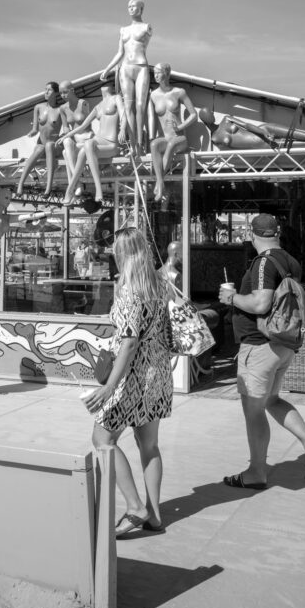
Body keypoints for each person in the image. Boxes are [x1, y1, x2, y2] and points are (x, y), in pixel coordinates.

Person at [218, 213, 305, 487]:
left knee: (253, 411)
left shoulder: (263, 262)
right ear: (278, 231)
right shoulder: (290, 261)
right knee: (271, 400)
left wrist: (230, 297)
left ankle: (256, 472)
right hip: (282, 345)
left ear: (251, 234)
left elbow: (260, 304)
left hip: (260, 345)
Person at [84, 228, 173, 536]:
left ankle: (135, 507)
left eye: (115, 250)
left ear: (123, 252)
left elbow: (129, 342)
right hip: (159, 372)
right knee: (149, 444)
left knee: (103, 440)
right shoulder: (160, 283)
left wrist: (109, 386)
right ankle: (155, 516)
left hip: (133, 376)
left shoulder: (128, 289)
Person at [58, 83, 125, 204]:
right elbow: (83, 126)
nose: (103, 88)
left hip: (111, 144)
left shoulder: (116, 98)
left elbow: (123, 114)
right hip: (100, 139)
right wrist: (66, 136)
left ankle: (97, 189)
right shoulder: (98, 106)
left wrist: (124, 129)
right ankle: (71, 188)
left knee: (88, 144)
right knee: (74, 151)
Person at [101, 0, 152, 153]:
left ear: (141, 9)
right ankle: (134, 145)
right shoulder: (123, 30)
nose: (131, 9)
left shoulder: (146, 27)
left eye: (134, 6)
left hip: (141, 66)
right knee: (128, 106)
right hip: (125, 68)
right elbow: (120, 53)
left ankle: (140, 142)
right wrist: (107, 69)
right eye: (129, 7)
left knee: (140, 106)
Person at [200, 109, 305, 151]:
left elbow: (247, 126)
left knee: (300, 134)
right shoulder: (215, 139)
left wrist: (263, 132)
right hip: (262, 146)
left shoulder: (226, 119)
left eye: (211, 112)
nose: (211, 115)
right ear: (204, 119)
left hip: (263, 131)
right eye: (208, 114)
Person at [148, 63, 199, 200]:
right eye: (154, 73)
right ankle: (160, 182)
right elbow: (151, 117)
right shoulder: (153, 95)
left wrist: (181, 127)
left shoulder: (179, 92)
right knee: (154, 145)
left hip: (179, 138)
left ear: (166, 73)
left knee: (171, 146)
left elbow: (194, 114)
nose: (156, 75)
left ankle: (159, 184)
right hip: (165, 137)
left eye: (158, 72)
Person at [15, 82, 63, 197]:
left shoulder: (61, 110)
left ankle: (48, 187)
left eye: (49, 90)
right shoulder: (38, 107)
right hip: (42, 145)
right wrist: (32, 132)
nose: (46, 92)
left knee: (49, 145)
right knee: (39, 148)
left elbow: (66, 128)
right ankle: (20, 184)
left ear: (56, 93)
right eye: (45, 89)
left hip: (54, 146)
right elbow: (35, 128)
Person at [58, 80, 92, 182]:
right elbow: (65, 127)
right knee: (66, 142)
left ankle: (74, 181)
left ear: (72, 90)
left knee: (65, 152)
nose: (62, 95)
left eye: (65, 92)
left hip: (86, 137)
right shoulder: (62, 108)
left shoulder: (83, 103)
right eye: (60, 93)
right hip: (75, 140)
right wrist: (64, 135)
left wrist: (67, 135)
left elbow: (87, 124)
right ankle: (76, 180)